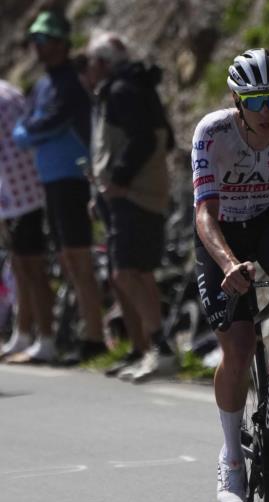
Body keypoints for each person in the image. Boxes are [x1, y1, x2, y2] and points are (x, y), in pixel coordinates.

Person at [191, 48, 269, 502]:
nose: (268, 113)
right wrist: (228, 265)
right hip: (223, 233)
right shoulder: (213, 131)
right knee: (240, 348)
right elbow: (205, 214)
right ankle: (231, 458)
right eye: (256, 102)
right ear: (236, 100)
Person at [12, 10, 106, 364]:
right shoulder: (43, 83)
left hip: (72, 178)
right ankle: (85, 332)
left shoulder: (69, 81)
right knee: (67, 259)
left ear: (63, 44)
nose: (38, 48)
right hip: (51, 179)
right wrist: (28, 130)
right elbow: (26, 125)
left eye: (45, 41)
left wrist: (29, 130)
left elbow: (44, 124)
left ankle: (94, 336)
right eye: (35, 41)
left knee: (78, 258)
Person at [84, 31, 177, 381]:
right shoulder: (135, 87)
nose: (87, 69)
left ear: (104, 63)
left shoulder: (123, 91)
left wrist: (118, 181)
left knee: (126, 272)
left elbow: (147, 140)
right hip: (139, 195)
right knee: (137, 273)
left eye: (91, 61)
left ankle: (159, 347)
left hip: (134, 196)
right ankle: (145, 349)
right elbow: (164, 137)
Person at [0, 80, 55, 362]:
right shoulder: (9, 91)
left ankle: (45, 338)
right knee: (20, 267)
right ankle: (23, 334)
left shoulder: (4, 96)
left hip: (22, 192)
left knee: (32, 269)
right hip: (16, 193)